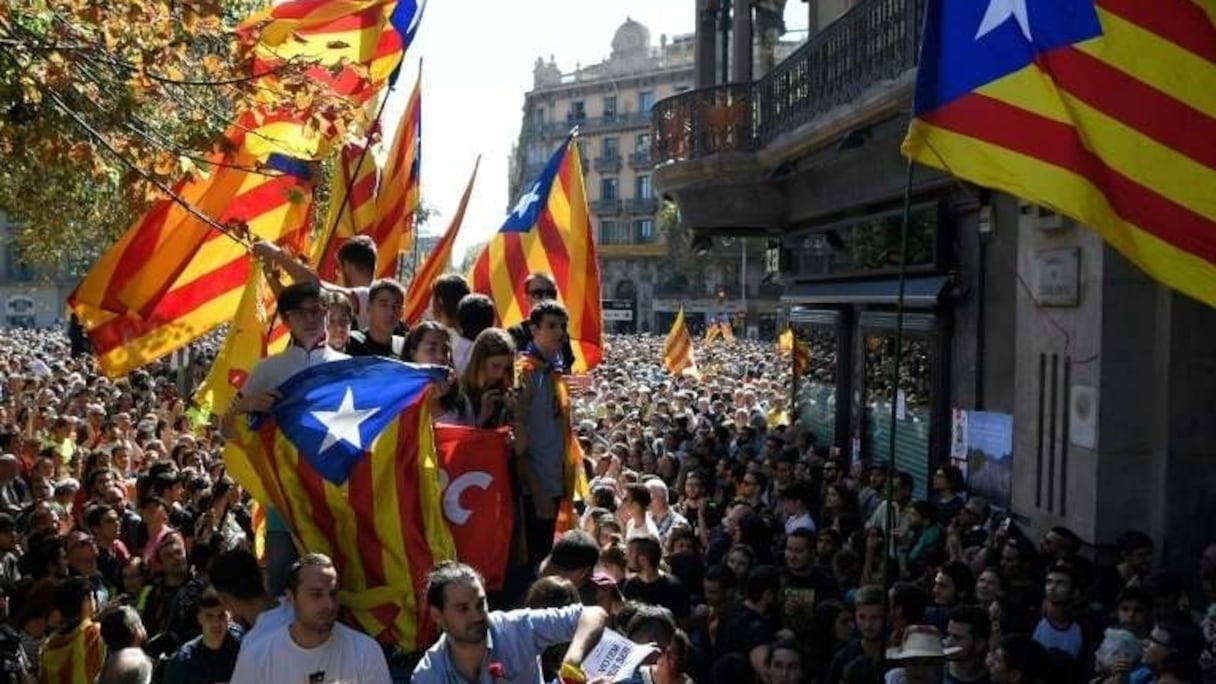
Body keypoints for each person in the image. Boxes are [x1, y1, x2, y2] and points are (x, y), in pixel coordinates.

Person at [220, 281, 347, 596]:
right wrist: (246, 405)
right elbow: (226, 428)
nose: (311, 318)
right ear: (286, 320)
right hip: (284, 495)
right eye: (300, 312)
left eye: (317, 310)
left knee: (335, 579)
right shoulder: (267, 369)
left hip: (334, 493)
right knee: (280, 577)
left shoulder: (347, 368)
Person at [412, 561, 608, 684]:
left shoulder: (515, 628)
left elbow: (592, 615)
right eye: (463, 609)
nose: (477, 616)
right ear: (437, 615)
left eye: (481, 604)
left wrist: (572, 661)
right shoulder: (428, 675)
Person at [230, 553, 391, 683]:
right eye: (316, 594)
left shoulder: (365, 652)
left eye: (333, 594)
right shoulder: (258, 657)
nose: (329, 604)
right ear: (291, 598)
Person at [514, 301, 583, 567]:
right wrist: (536, 487)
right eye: (551, 326)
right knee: (535, 562)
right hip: (535, 490)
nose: (559, 333)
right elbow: (518, 441)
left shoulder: (555, 372)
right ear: (534, 329)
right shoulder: (524, 374)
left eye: (562, 326)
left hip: (556, 482)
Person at [253, 235, 378, 330]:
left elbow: (315, 286)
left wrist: (275, 253)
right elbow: (292, 308)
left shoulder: (370, 296)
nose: (337, 274)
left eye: (339, 269)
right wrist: (270, 273)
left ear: (348, 265)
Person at [162, 588, 242, 684]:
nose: (216, 623)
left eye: (221, 616)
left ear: (230, 617)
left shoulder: (243, 651)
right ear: (199, 618)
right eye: (209, 616)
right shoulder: (183, 661)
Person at [347, 279, 408, 359]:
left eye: (396, 306)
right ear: (369, 307)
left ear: (402, 312)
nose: (390, 312)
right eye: (383, 305)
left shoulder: (405, 350)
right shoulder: (350, 343)